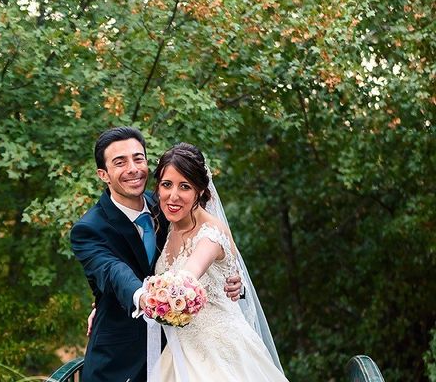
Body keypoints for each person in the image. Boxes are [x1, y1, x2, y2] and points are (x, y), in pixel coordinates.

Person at [70, 127, 243, 382]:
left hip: (183, 352)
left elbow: (214, 248)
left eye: (138, 158)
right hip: (121, 360)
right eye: (120, 162)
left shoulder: (167, 204)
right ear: (103, 174)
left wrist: (233, 281)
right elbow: (111, 271)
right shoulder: (89, 228)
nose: (133, 168)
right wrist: (142, 298)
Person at [153, 142, 288, 381]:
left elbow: (189, 274)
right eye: (166, 185)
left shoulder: (211, 234)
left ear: (201, 191)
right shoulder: (169, 225)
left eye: (184, 186)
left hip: (220, 352)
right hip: (180, 351)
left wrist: (150, 297)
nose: (173, 195)